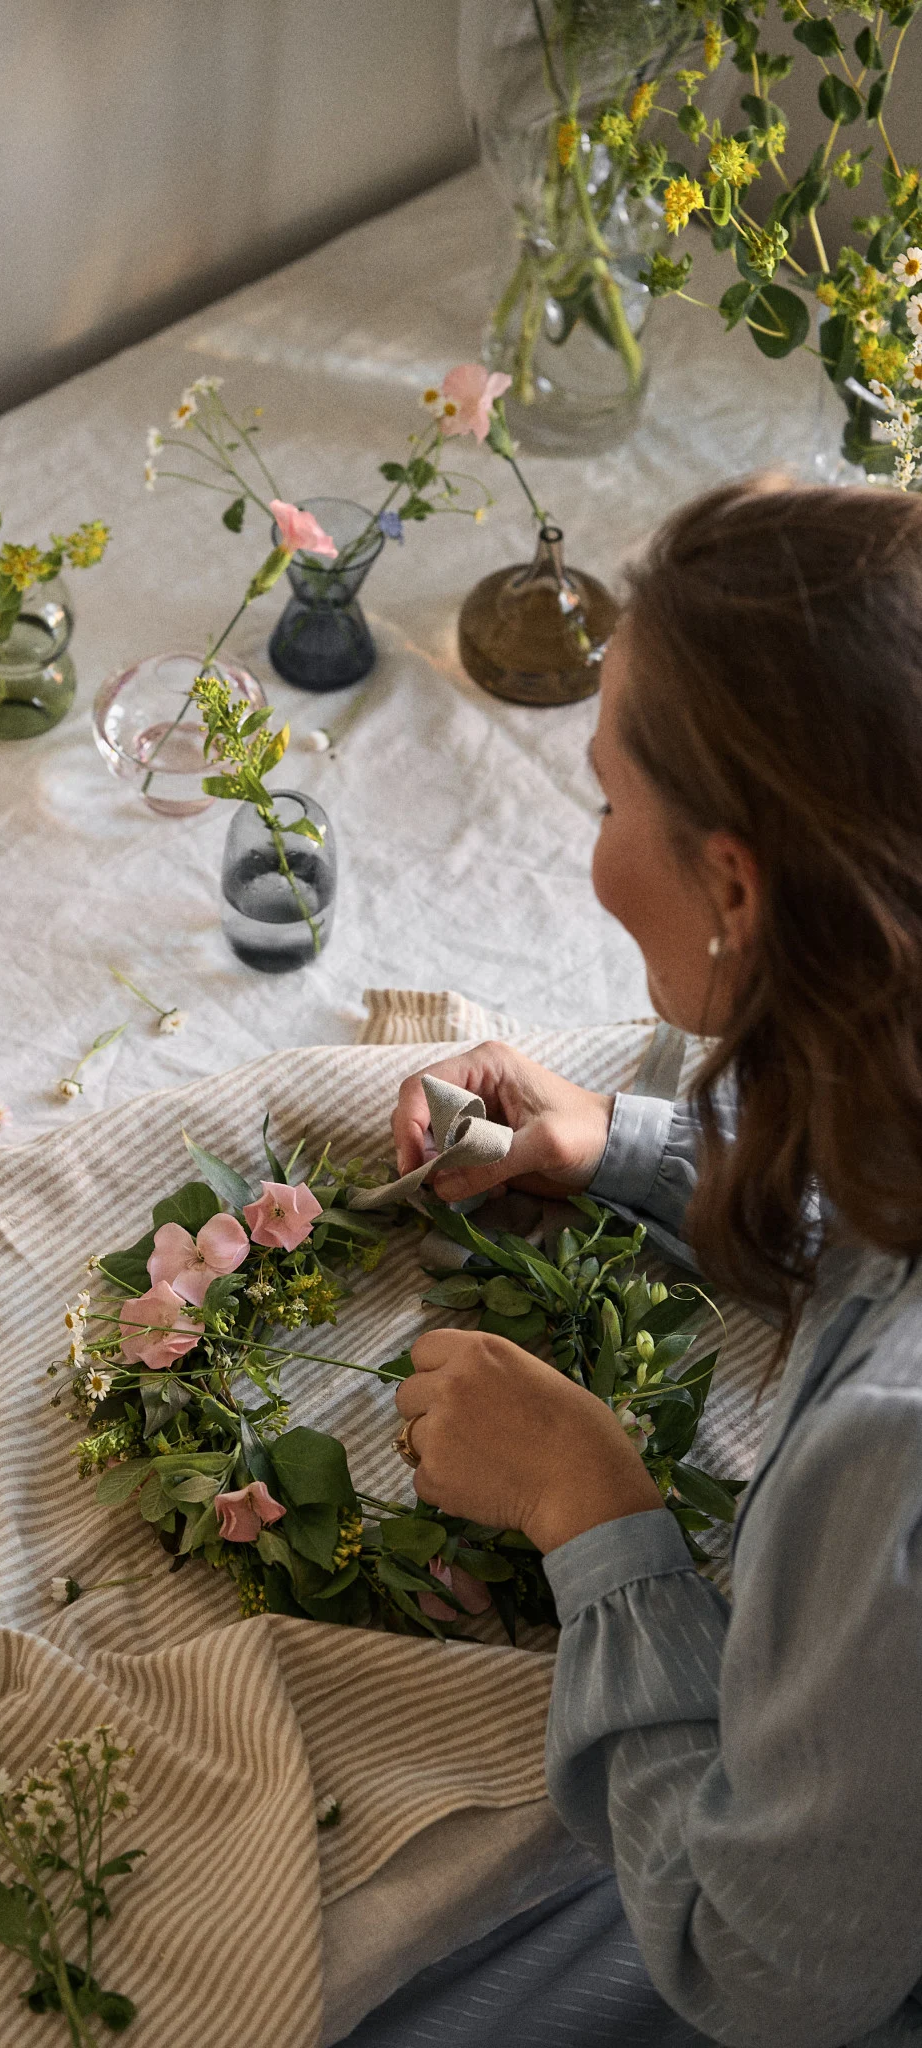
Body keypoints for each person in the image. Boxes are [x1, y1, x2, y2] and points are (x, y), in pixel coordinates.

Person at [356, 478, 922, 2047]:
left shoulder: (896, 1453)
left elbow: (769, 1974)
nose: (594, 860)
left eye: (607, 805)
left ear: (736, 884)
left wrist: (585, 1498)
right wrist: (623, 1147)